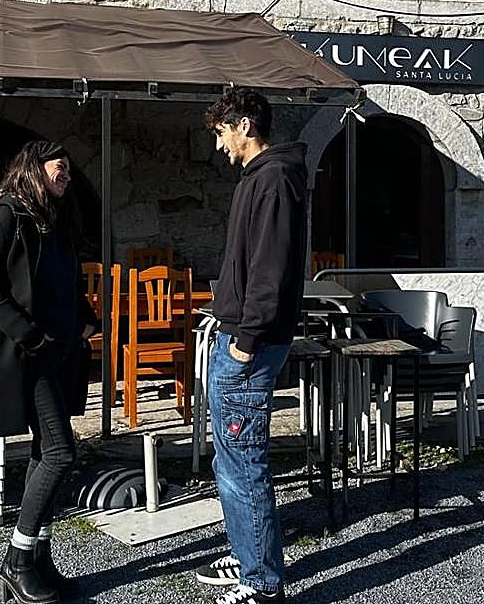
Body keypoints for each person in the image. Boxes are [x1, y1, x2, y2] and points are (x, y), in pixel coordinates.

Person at [0, 140, 97, 604]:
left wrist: (86, 318)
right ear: (34, 168)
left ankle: (38, 558)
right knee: (60, 452)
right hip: (27, 354)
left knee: (45, 451)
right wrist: (30, 335)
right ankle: (17, 561)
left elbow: (68, 279)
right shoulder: (3, 216)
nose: (67, 175)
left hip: (59, 352)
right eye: (60, 167)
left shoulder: (55, 219)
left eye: (69, 169)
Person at [194, 88, 308, 604]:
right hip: (245, 336)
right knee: (232, 463)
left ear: (244, 125)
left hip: (251, 344)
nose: (219, 145)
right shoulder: (261, 178)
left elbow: (271, 268)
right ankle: (249, 555)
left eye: (221, 132)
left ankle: (262, 583)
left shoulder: (274, 179)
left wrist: (245, 340)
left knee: (243, 465)